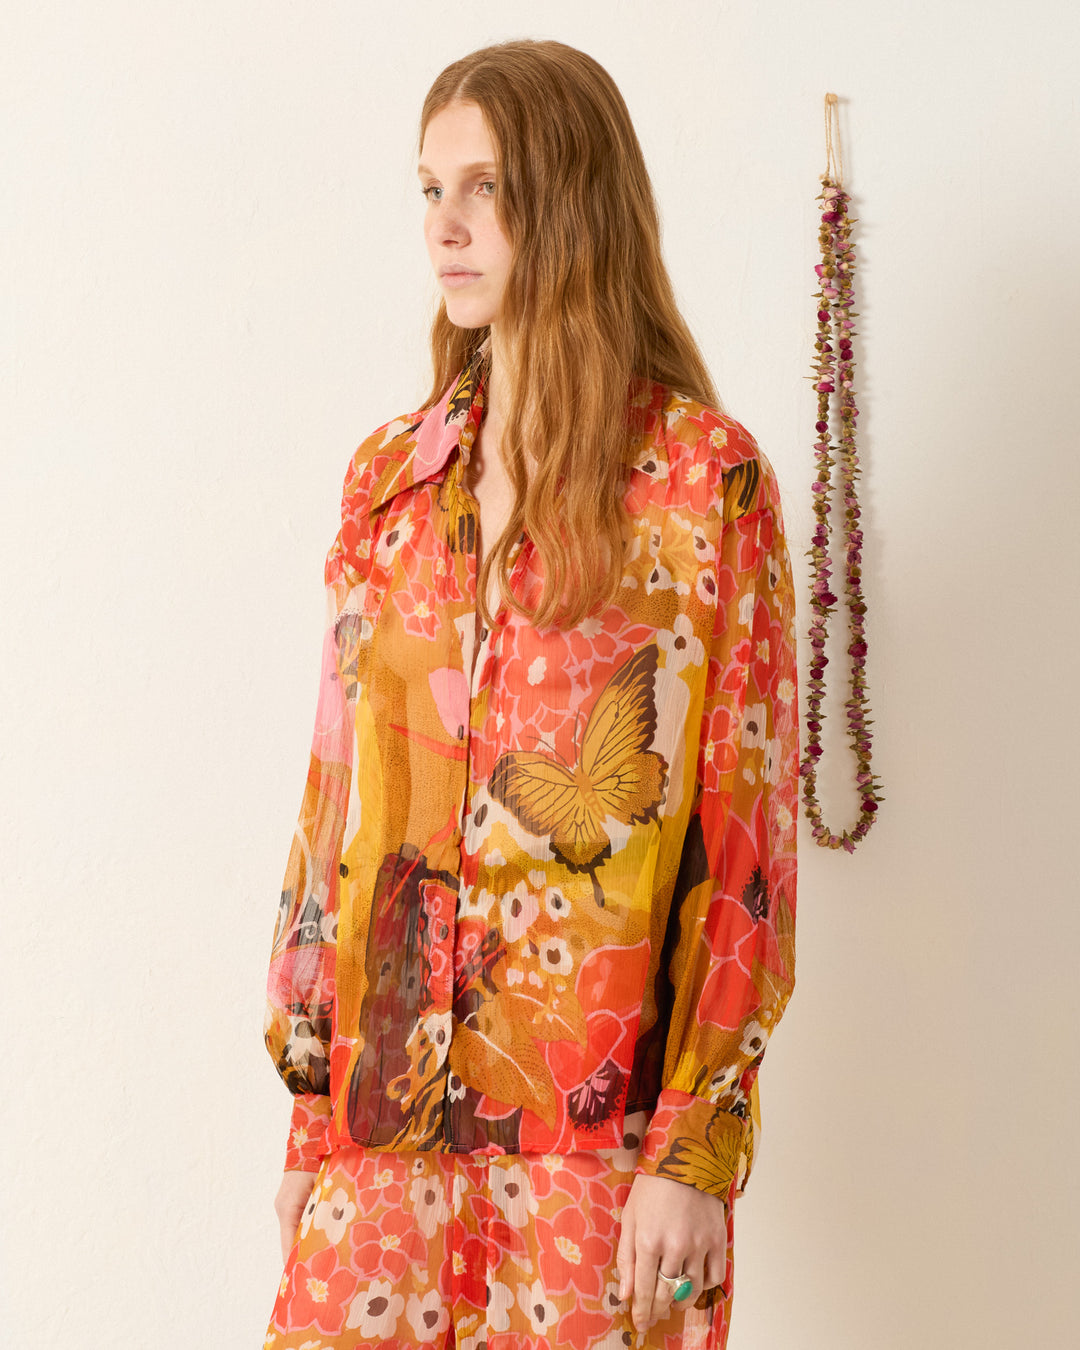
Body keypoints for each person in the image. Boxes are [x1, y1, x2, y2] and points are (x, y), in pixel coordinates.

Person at [263, 38, 797, 1350]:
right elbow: (337, 810)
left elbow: (743, 850)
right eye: (430, 188)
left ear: (568, 198)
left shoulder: (701, 485)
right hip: (375, 1151)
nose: (443, 225)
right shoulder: (389, 479)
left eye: (483, 187)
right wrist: (311, 1115)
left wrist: (695, 1150)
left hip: (599, 1161)